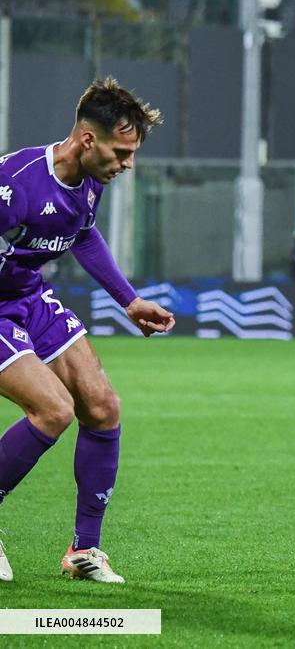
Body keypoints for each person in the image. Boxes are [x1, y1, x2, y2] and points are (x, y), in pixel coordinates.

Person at [0, 77, 174, 584]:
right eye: (121, 152)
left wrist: (130, 300)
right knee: (52, 409)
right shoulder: (15, 183)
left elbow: (81, 233)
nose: (128, 164)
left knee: (101, 406)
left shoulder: (92, 180)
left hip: (28, 298)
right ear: (87, 139)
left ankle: (85, 550)